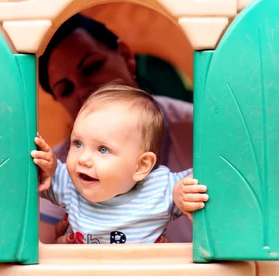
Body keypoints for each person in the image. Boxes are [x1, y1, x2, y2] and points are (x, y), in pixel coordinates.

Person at [37, 13, 195, 243]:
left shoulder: (195, 128)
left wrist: (184, 194)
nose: (83, 90)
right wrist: (61, 244)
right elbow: (43, 251)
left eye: (91, 67)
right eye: (66, 89)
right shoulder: (71, 171)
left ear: (126, 56)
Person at [31, 84, 208, 244]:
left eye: (103, 149)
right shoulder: (69, 184)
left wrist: (183, 192)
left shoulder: (161, 189)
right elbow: (39, 176)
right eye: (78, 143)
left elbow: (211, 174)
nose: (83, 159)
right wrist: (47, 167)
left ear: (142, 166)